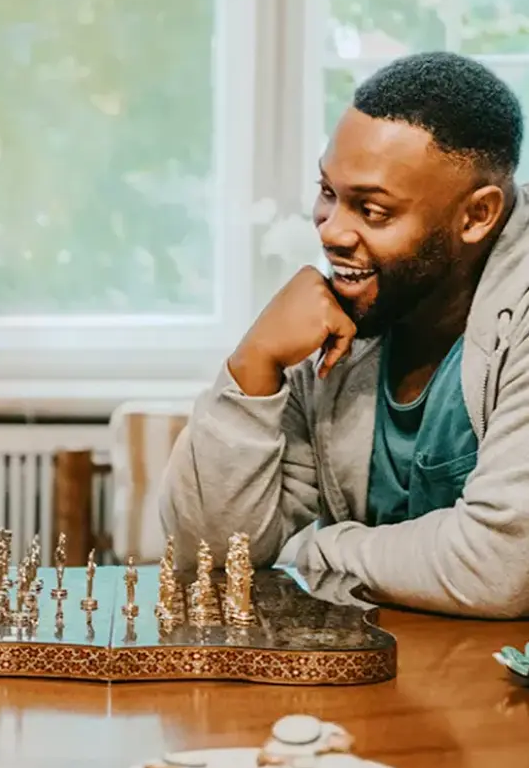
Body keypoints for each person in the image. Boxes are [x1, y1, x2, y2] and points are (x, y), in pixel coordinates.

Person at [160, 51, 529, 618]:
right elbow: (207, 556)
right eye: (328, 192)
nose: (331, 231)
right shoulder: (346, 313)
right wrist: (253, 364)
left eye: (373, 210)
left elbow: (502, 566)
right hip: (381, 680)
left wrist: (320, 548)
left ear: (477, 216)